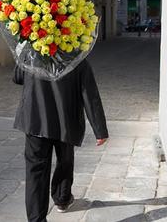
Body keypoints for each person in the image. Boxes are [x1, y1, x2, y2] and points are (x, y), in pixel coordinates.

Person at [13, 59, 109, 222]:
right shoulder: (76, 55)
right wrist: (99, 129)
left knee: (35, 172)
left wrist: (23, 54)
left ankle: (37, 219)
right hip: (65, 119)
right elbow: (89, 92)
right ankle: (62, 198)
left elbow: (18, 77)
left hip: (36, 120)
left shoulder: (32, 52)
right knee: (65, 159)